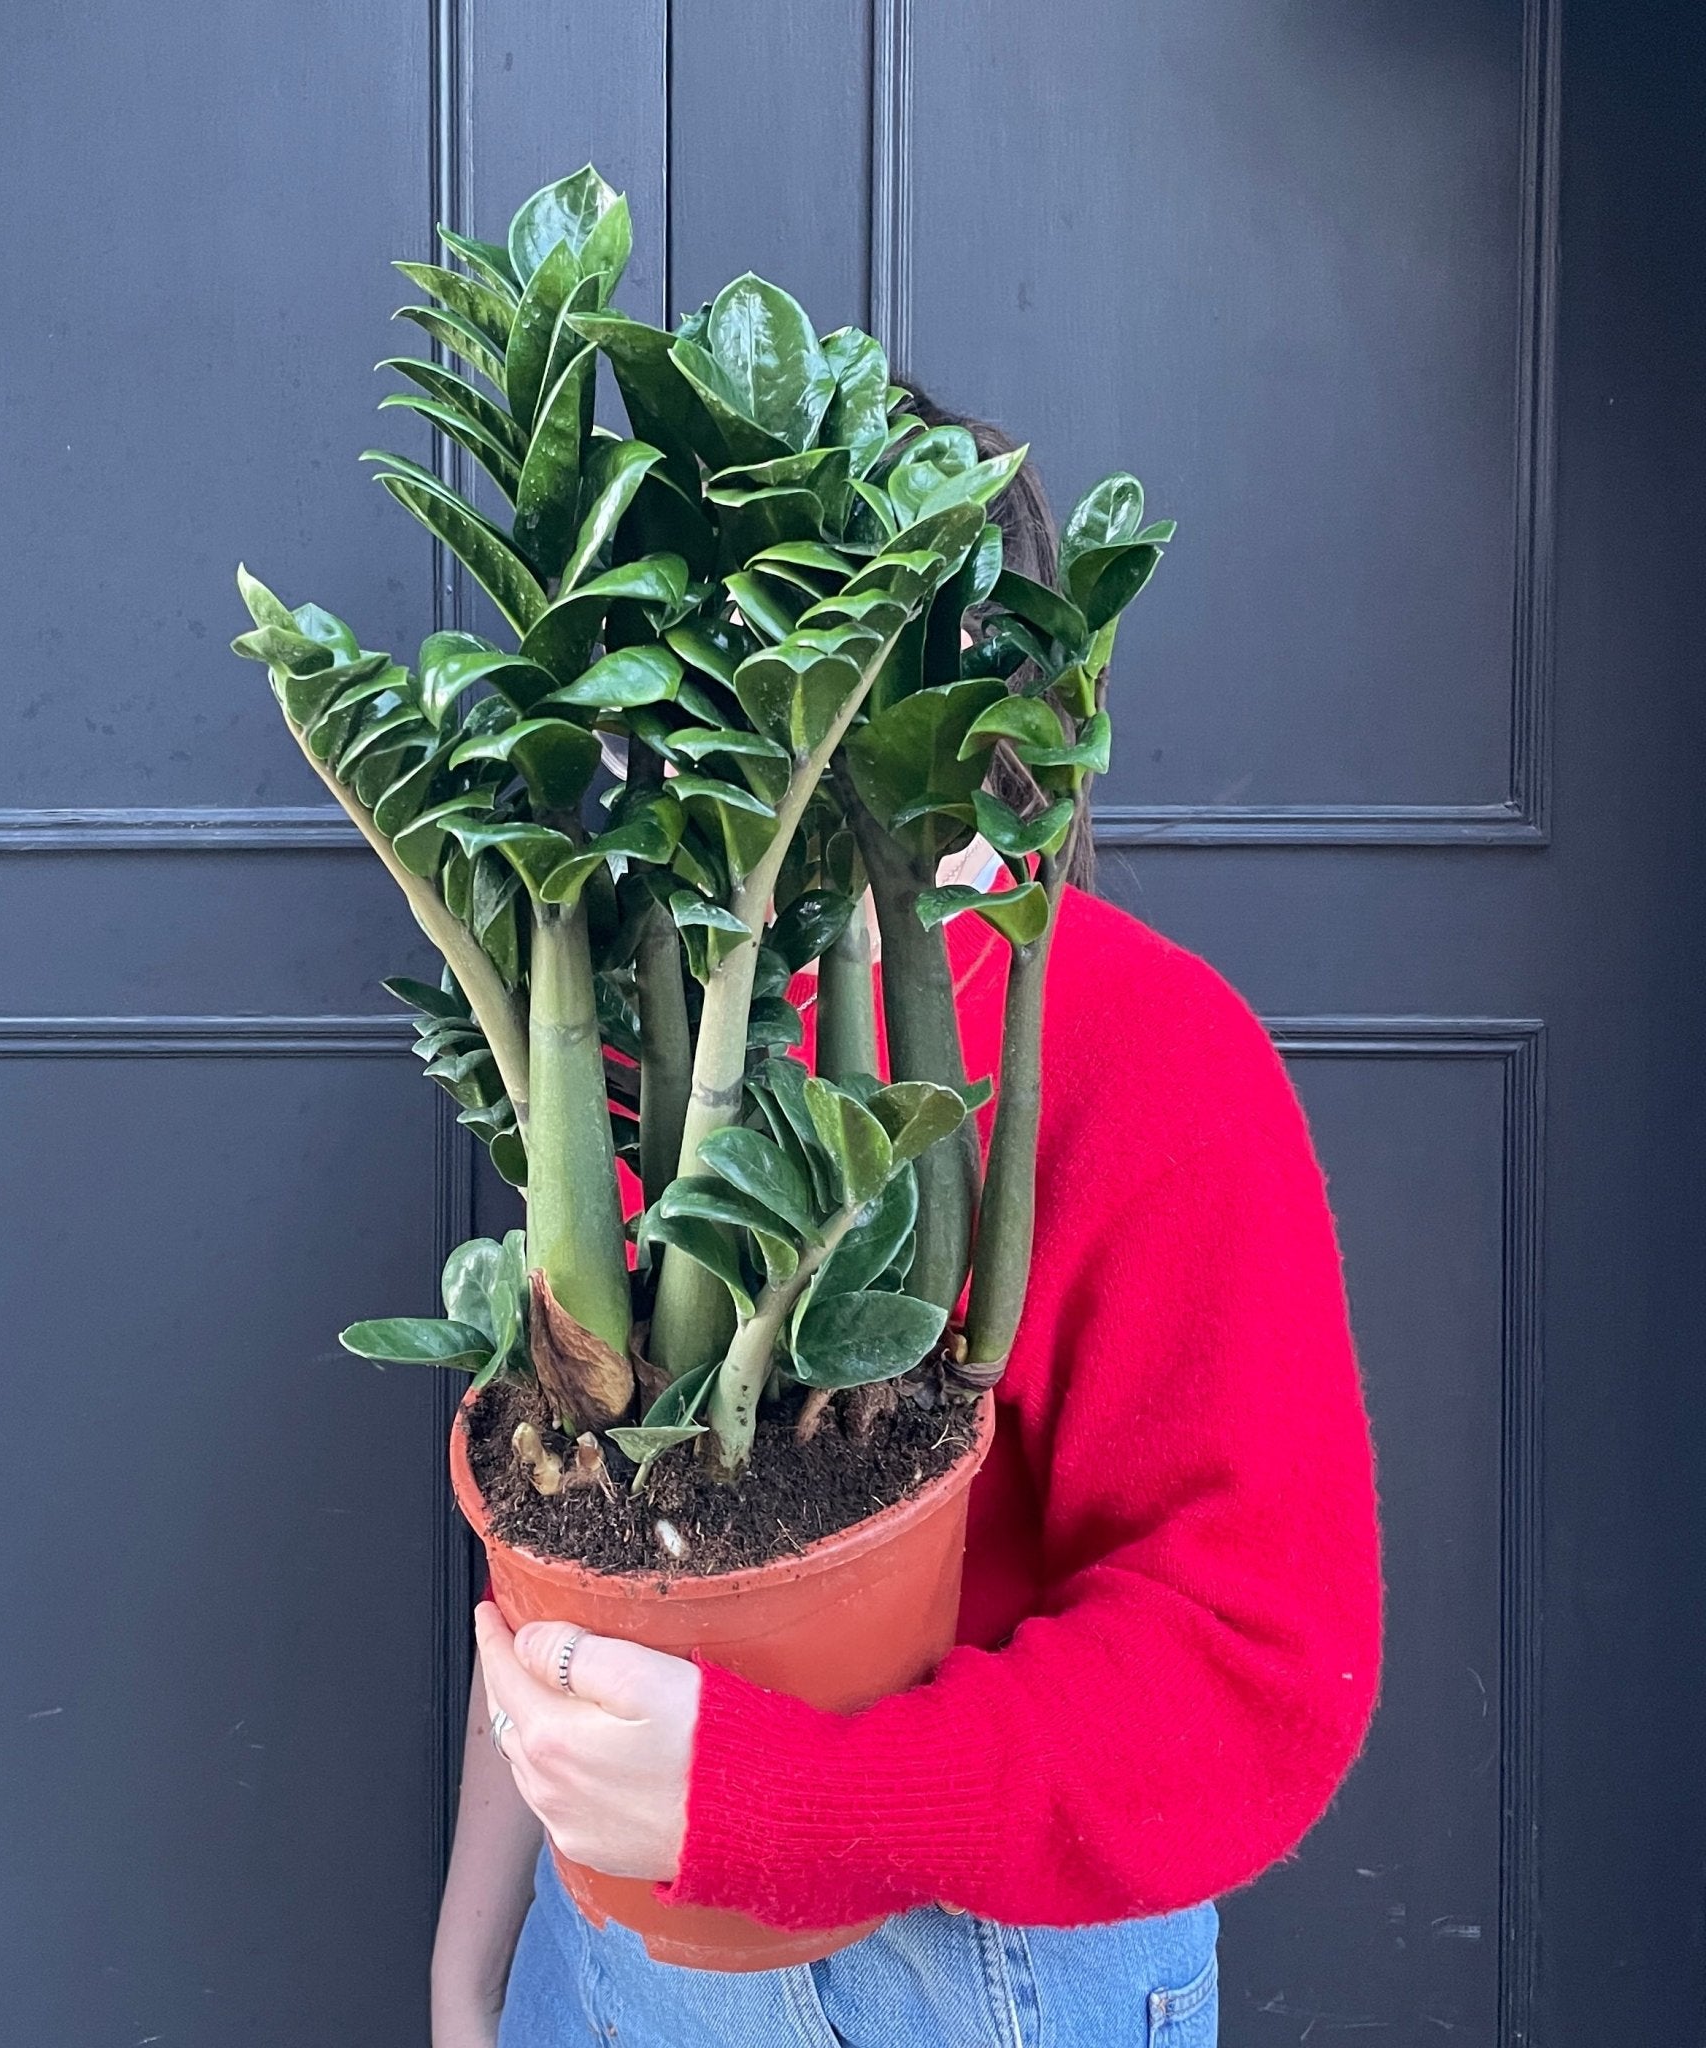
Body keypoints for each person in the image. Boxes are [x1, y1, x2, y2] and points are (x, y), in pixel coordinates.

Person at [429, 387, 1385, 2048]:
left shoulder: (1155, 1053)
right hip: (610, 1943)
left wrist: (782, 1803)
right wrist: (473, 1959)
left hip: (964, 1973)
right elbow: (566, 1540)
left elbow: (1254, 1664)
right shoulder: (656, 1063)